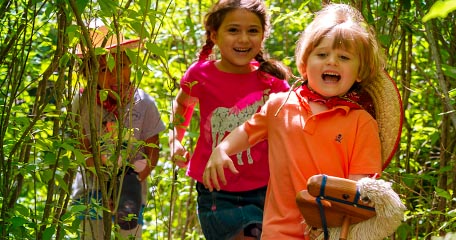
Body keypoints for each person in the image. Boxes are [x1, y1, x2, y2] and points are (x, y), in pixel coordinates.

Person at [203, 3, 403, 240]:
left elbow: (359, 187)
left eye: (344, 57)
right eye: (322, 54)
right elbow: (247, 132)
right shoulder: (279, 106)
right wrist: (222, 149)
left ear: (359, 72)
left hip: (331, 233)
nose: (332, 62)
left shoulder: (361, 122)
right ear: (305, 65)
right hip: (278, 232)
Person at [168, 0, 291, 239]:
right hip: (216, 189)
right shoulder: (201, 74)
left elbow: (292, 123)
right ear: (214, 35)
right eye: (233, 30)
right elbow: (183, 104)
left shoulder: (272, 83)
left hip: (265, 188)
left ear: (263, 35)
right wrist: (175, 139)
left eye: (252, 31)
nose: (244, 39)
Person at [71, 21, 166, 239]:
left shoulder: (144, 102)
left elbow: (152, 151)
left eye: (121, 64)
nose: (115, 74)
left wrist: (127, 181)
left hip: (131, 189)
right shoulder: (82, 103)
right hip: (91, 189)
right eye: (104, 69)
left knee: (128, 234)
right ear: (89, 72)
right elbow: (82, 148)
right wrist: (107, 184)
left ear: (131, 65)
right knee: (92, 235)